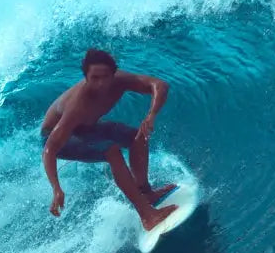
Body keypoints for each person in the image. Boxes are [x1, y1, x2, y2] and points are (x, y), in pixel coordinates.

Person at [41, 48, 178, 230]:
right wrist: (56, 188)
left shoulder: (120, 81)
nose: (100, 83)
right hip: (56, 138)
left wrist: (151, 115)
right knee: (111, 150)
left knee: (137, 136)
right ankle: (147, 216)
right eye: (94, 78)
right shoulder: (77, 105)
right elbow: (50, 149)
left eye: (105, 77)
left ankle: (146, 193)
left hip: (85, 128)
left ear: (113, 74)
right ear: (86, 77)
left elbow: (160, 85)